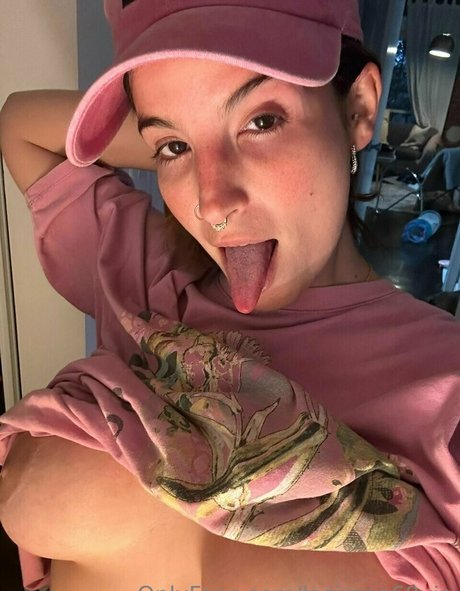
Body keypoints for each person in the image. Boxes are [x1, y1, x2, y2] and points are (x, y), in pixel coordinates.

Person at [0, 1, 458, 590]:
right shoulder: (148, 278)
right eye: (171, 148)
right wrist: (190, 136)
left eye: (263, 121)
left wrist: (189, 137)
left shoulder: (447, 384)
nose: (210, 202)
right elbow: (19, 125)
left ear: (359, 107)